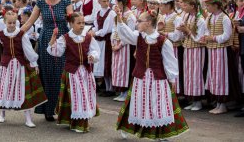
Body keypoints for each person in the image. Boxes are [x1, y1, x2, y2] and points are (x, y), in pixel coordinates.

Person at [115, 10, 189, 140]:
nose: (137, 23)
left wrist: (172, 79)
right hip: (141, 77)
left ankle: (161, 133)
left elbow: (170, 61)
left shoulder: (163, 41)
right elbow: (125, 34)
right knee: (137, 103)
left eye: (140, 21)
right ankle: (129, 127)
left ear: (148, 23)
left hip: (157, 79)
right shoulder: (138, 37)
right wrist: (120, 20)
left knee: (158, 104)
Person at [0, 11, 47, 128]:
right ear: (5, 22)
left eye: (14, 22)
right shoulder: (1, 34)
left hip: (20, 66)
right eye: (9, 23)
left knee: (22, 90)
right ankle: (2, 113)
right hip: (6, 66)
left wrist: (34, 63)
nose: (12, 25)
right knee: (4, 88)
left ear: (16, 22)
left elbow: (28, 50)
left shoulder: (21, 34)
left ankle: (28, 118)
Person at [22, 0, 73, 121]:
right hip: (45, 41)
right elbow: (29, 23)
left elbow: (72, 21)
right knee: (48, 74)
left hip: (62, 40)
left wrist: (77, 37)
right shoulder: (40, 3)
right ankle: (49, 109)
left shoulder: (66, 1)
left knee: (61, 73)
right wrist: (15, 34)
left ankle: (63, 108)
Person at [48, 12, 100, 133]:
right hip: (73, 73)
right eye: (78, 23)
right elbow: (56, 52)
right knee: (78, 97)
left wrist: (92, 56)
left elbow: (95, 51)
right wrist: (52, 39)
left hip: (86, 72)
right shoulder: (65, 38)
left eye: (83, 23)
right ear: (71, 24)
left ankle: (83, 119)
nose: (82, 25)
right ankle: (78, 122)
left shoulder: (88, 37)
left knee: (85, 96)